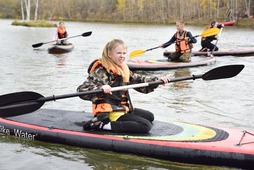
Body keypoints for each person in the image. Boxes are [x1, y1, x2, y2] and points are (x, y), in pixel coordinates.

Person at [77, 39, 169, 133]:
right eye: (119, 53)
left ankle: (121, 119)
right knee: (145, 125)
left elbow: (140, 82)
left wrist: (157, 81)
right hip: (109, 112)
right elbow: (82, 90)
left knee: (149, 116)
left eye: (124, 53)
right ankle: (102, 125)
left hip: (122, 108)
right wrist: (100, 88)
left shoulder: (123, 69)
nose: (122, 56)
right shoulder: (101, 71)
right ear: (110, 54)